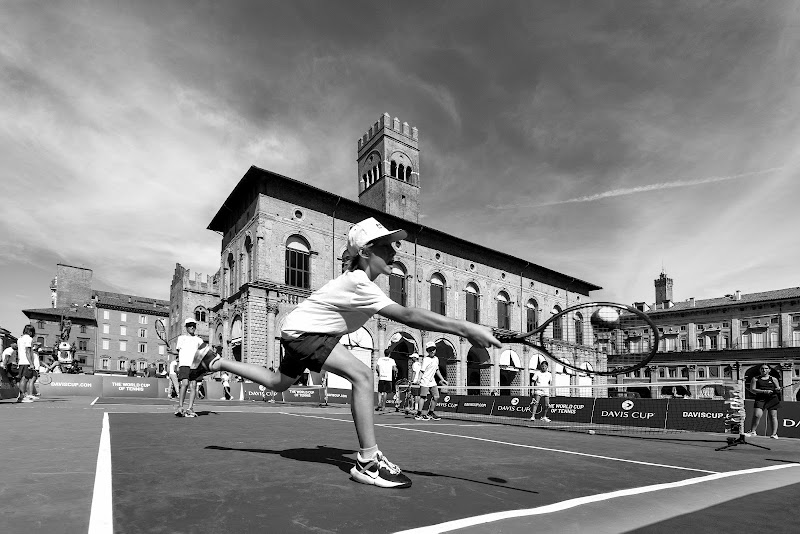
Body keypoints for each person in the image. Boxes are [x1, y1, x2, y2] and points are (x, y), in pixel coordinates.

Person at [189, 217, 500, 488]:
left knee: (278, 383)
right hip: (306, 334)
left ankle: (215, 361)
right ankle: (367, 463)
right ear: (365, 252)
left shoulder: (361, 282)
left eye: (394, 245)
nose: (395, 251)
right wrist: (465, 328)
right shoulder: (360, 283)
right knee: (363, 376)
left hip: (299, 331)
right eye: (386, 246)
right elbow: (407, 316)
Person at [175, 318, 205, 417]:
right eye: (190, 325)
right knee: (184, 383)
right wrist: (171, 352)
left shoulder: (199, 340)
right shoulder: (181, 338)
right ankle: (180, 407)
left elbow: (203, 353)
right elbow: (178, 352)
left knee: (193, 386)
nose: (192, 327)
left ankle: (190, 408)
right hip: (184, 364)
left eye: (194, 325)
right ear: (186, 327)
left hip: (195, 365)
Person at [746, 363, 781, 439]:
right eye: (762, 368)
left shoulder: (774, 379)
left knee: (773, 416)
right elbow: (752, 389)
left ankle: (774, 434)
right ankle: (753, 431)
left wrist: (778, 389)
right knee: (757, 415)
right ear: (760, 370)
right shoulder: (755, 379)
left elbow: (778, 389)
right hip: (760, 399)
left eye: (766, 368)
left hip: (772, 399)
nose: (764, 370)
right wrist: (764, 391)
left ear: (769, 370)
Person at [416, 342, 445, 421]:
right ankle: (419, 414)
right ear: (427, 351)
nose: (432, 351)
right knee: (423, 397)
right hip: (425, 380)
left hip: (432, 381)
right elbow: (422, 371)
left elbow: (437, 370)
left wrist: (442, 379)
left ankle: (430, 413)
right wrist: (419, 379)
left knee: (436, 397)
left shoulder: (436, 359)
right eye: (430, 350)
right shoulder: (426, 359)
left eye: (433, 350)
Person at [16, 325, 37, 402]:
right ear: (31, 332)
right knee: (25, 379)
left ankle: (21, 396)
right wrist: (31, 363)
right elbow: (28, 351)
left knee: (23, 378)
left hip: (21, 361)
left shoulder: (20, 339)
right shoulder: (29, 339)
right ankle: (22, 397)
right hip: (26, 361)